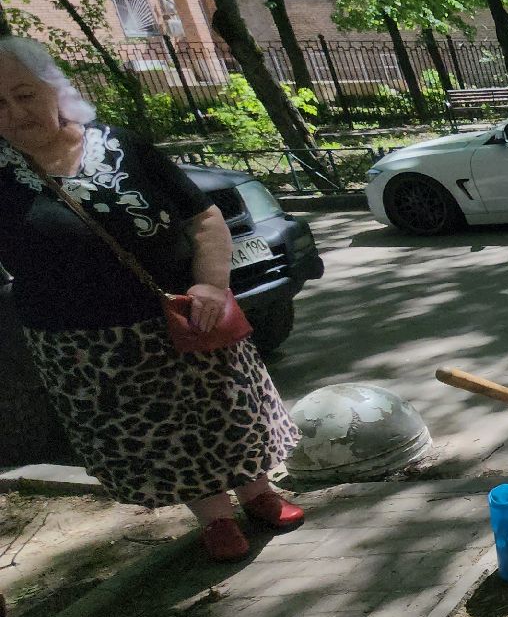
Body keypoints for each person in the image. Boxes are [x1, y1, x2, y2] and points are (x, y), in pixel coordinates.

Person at [0, 36, 302, 561]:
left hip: (184, 317)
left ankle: (259, 494)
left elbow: (204, 219)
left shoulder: (125, 148)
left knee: (227, 409)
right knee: (157, 434)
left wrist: (212, 283)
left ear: (53, 88)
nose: (14, 113)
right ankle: (214, 518)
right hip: (82, 343)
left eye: (24, 95)